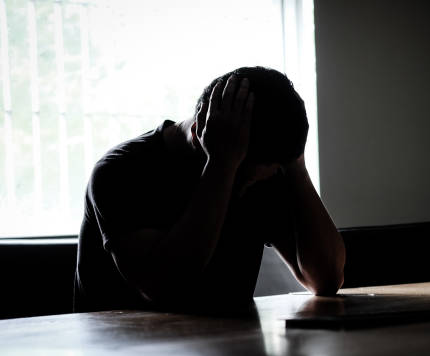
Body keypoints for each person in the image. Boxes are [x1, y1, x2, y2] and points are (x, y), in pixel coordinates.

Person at [74, 66, 345, 313]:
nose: (252, 184)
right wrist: (222, 165)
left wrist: (296, 166)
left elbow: (326, 278)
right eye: (245, 176)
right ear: (199, 132)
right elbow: (164, 288)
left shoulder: (264, 167)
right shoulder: (121, 171)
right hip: (120, 355)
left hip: (228, 351)